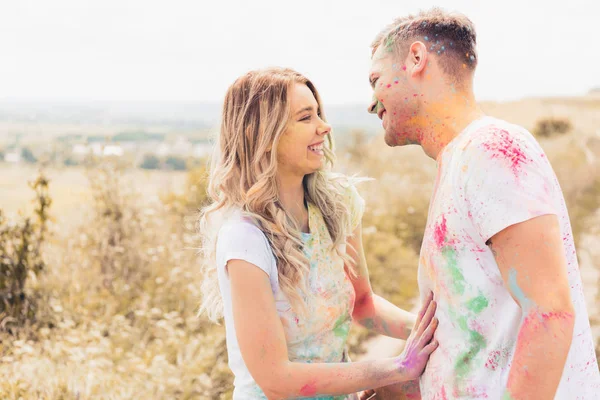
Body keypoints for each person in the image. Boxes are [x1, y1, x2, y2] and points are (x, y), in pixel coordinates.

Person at [366, 7, 600, 399]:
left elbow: (550, 314)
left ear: (417, 59)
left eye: (375, 80)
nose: (371, 103)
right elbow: (480, 330)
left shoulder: (492, 149)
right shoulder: (458, 160)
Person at [198, 67, 438, 399]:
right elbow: (276, 379)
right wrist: (394, 368)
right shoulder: (244, 238)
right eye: (305, 118)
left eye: (319, 114)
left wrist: (435, 336)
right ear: (263, 134)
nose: (324, 127)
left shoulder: (337, 206)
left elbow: (363, 305)